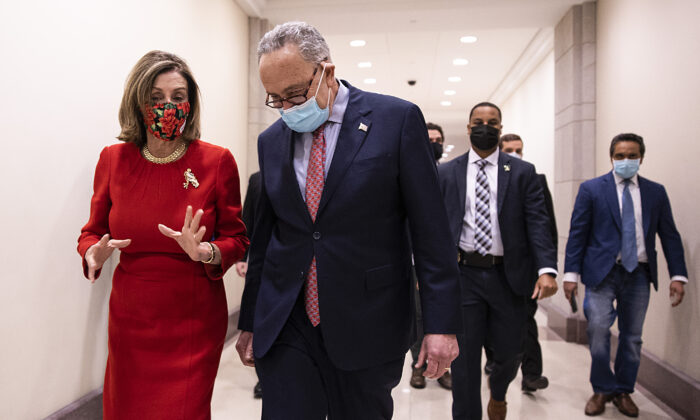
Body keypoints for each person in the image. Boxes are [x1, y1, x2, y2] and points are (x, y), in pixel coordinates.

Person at [235, 22, 461, 420]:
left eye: (295, 94)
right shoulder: (271, 141)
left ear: (326, 71)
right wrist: (251, 320)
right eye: (275, 99)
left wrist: (440, 324)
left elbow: (431, 231)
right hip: (288, 318)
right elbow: (267, 238)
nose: (287, 108)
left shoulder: (396, 120)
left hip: (368, 319)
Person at [77, 50, 249, 419]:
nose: (167, 106)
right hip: (131, 316)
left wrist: (205, 251)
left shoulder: (216, 161)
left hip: (192, 317)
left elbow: (237, 239)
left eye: (177, 97)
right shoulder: (113, 159)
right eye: (156, 98)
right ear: (138, 102)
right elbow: (92, 232)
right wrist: (93, 253)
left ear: (191, 102)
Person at [437, 102, 558, 420]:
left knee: (509, 355)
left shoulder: (522, 172)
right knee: (463, 362)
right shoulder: (447, 172)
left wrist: (546, 269)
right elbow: (434, 225)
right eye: (478, 121)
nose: (485, 126)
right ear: (468, 127)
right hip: (464, 276)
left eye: (492, 122)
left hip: (508, 277)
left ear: (500, 128)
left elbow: (538, 222)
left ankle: (500, 390)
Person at [563, 133, 688, 418]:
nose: (626, 161)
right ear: (611, 158)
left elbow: (669, 235)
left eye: (632, 156)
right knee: (596, 331)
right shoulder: (592, 189)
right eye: (620, 156)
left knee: (632, 338)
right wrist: (570, 274)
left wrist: (678, 275)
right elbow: (578, 233)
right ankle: (602, 388)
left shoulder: (656, 192)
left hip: (639, 274)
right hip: (601, 274)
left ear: (641, 157)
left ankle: (623, 390)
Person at [482, 134, 556, 393]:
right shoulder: (484, 179)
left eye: (519, 149)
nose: (515, 154)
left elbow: (545, 227)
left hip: (524, 270)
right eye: (509, 149)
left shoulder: (534, 178)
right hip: (490, 267)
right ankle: (495, 361)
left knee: (526, 322)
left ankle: (532, 374)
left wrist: (546, 268)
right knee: (493, 322)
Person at [410, 122, 451, 390]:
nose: (433, 143)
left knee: (442, 315)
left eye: (438, 139)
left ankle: (443, 368)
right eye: (429, 139)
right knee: (417, 315)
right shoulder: (408, 172)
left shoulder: (451, 176)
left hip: (444, 260)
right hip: (412, 260)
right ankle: (418, 366)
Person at [234, 171, 264, 399]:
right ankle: (264, 378)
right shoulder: (257, 180)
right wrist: (243, 258)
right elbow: (248, 223)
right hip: (264, 268)